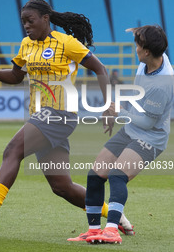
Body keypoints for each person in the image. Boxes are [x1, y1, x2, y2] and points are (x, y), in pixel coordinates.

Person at [0, 0, 133, 234]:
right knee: (62, 187)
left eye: (30, 21)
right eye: (23, 22)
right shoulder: (26, 45)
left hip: (60, 115)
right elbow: (16, 77)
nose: (26, 26)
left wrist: (109, 103)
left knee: (12, 150)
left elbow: (100, 68)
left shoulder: (66, 43)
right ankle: (113, 213)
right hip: (42, 117)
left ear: (45, 19)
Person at [68, 25, 173, 244]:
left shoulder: (163, 83)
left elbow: (147, 122)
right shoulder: (148, 62)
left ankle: (112, 230)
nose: (135, 49)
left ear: (146, 51)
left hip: (151, 137)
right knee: (95, 176)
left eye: (138, 45)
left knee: (117, 175)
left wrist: (120, 112)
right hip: (131, 129)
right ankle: (94, 230)